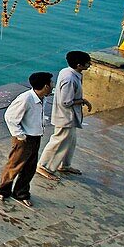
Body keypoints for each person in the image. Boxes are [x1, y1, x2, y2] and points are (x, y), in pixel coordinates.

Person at [0, 72, 54, 208]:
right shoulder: (26, 99)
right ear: (45, 86)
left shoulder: (41, 98)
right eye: (51, 83)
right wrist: (20, 135)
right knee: (15, 166)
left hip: (35, 137)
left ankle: (21, 193)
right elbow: (10, 117)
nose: (52, 85)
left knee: (29, 168)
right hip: (25, 138)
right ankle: (2, 189)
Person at [37, 51, 93, 180]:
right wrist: (83, 101)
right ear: (79, 65)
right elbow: (66, 102)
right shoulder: (69, 79)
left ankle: (64, 164)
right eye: (87, 62)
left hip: (70, 116)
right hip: (65, 116)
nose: (90, 64)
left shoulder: (69, 72)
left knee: (70, 141)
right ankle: (43, 166)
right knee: (58, 141)